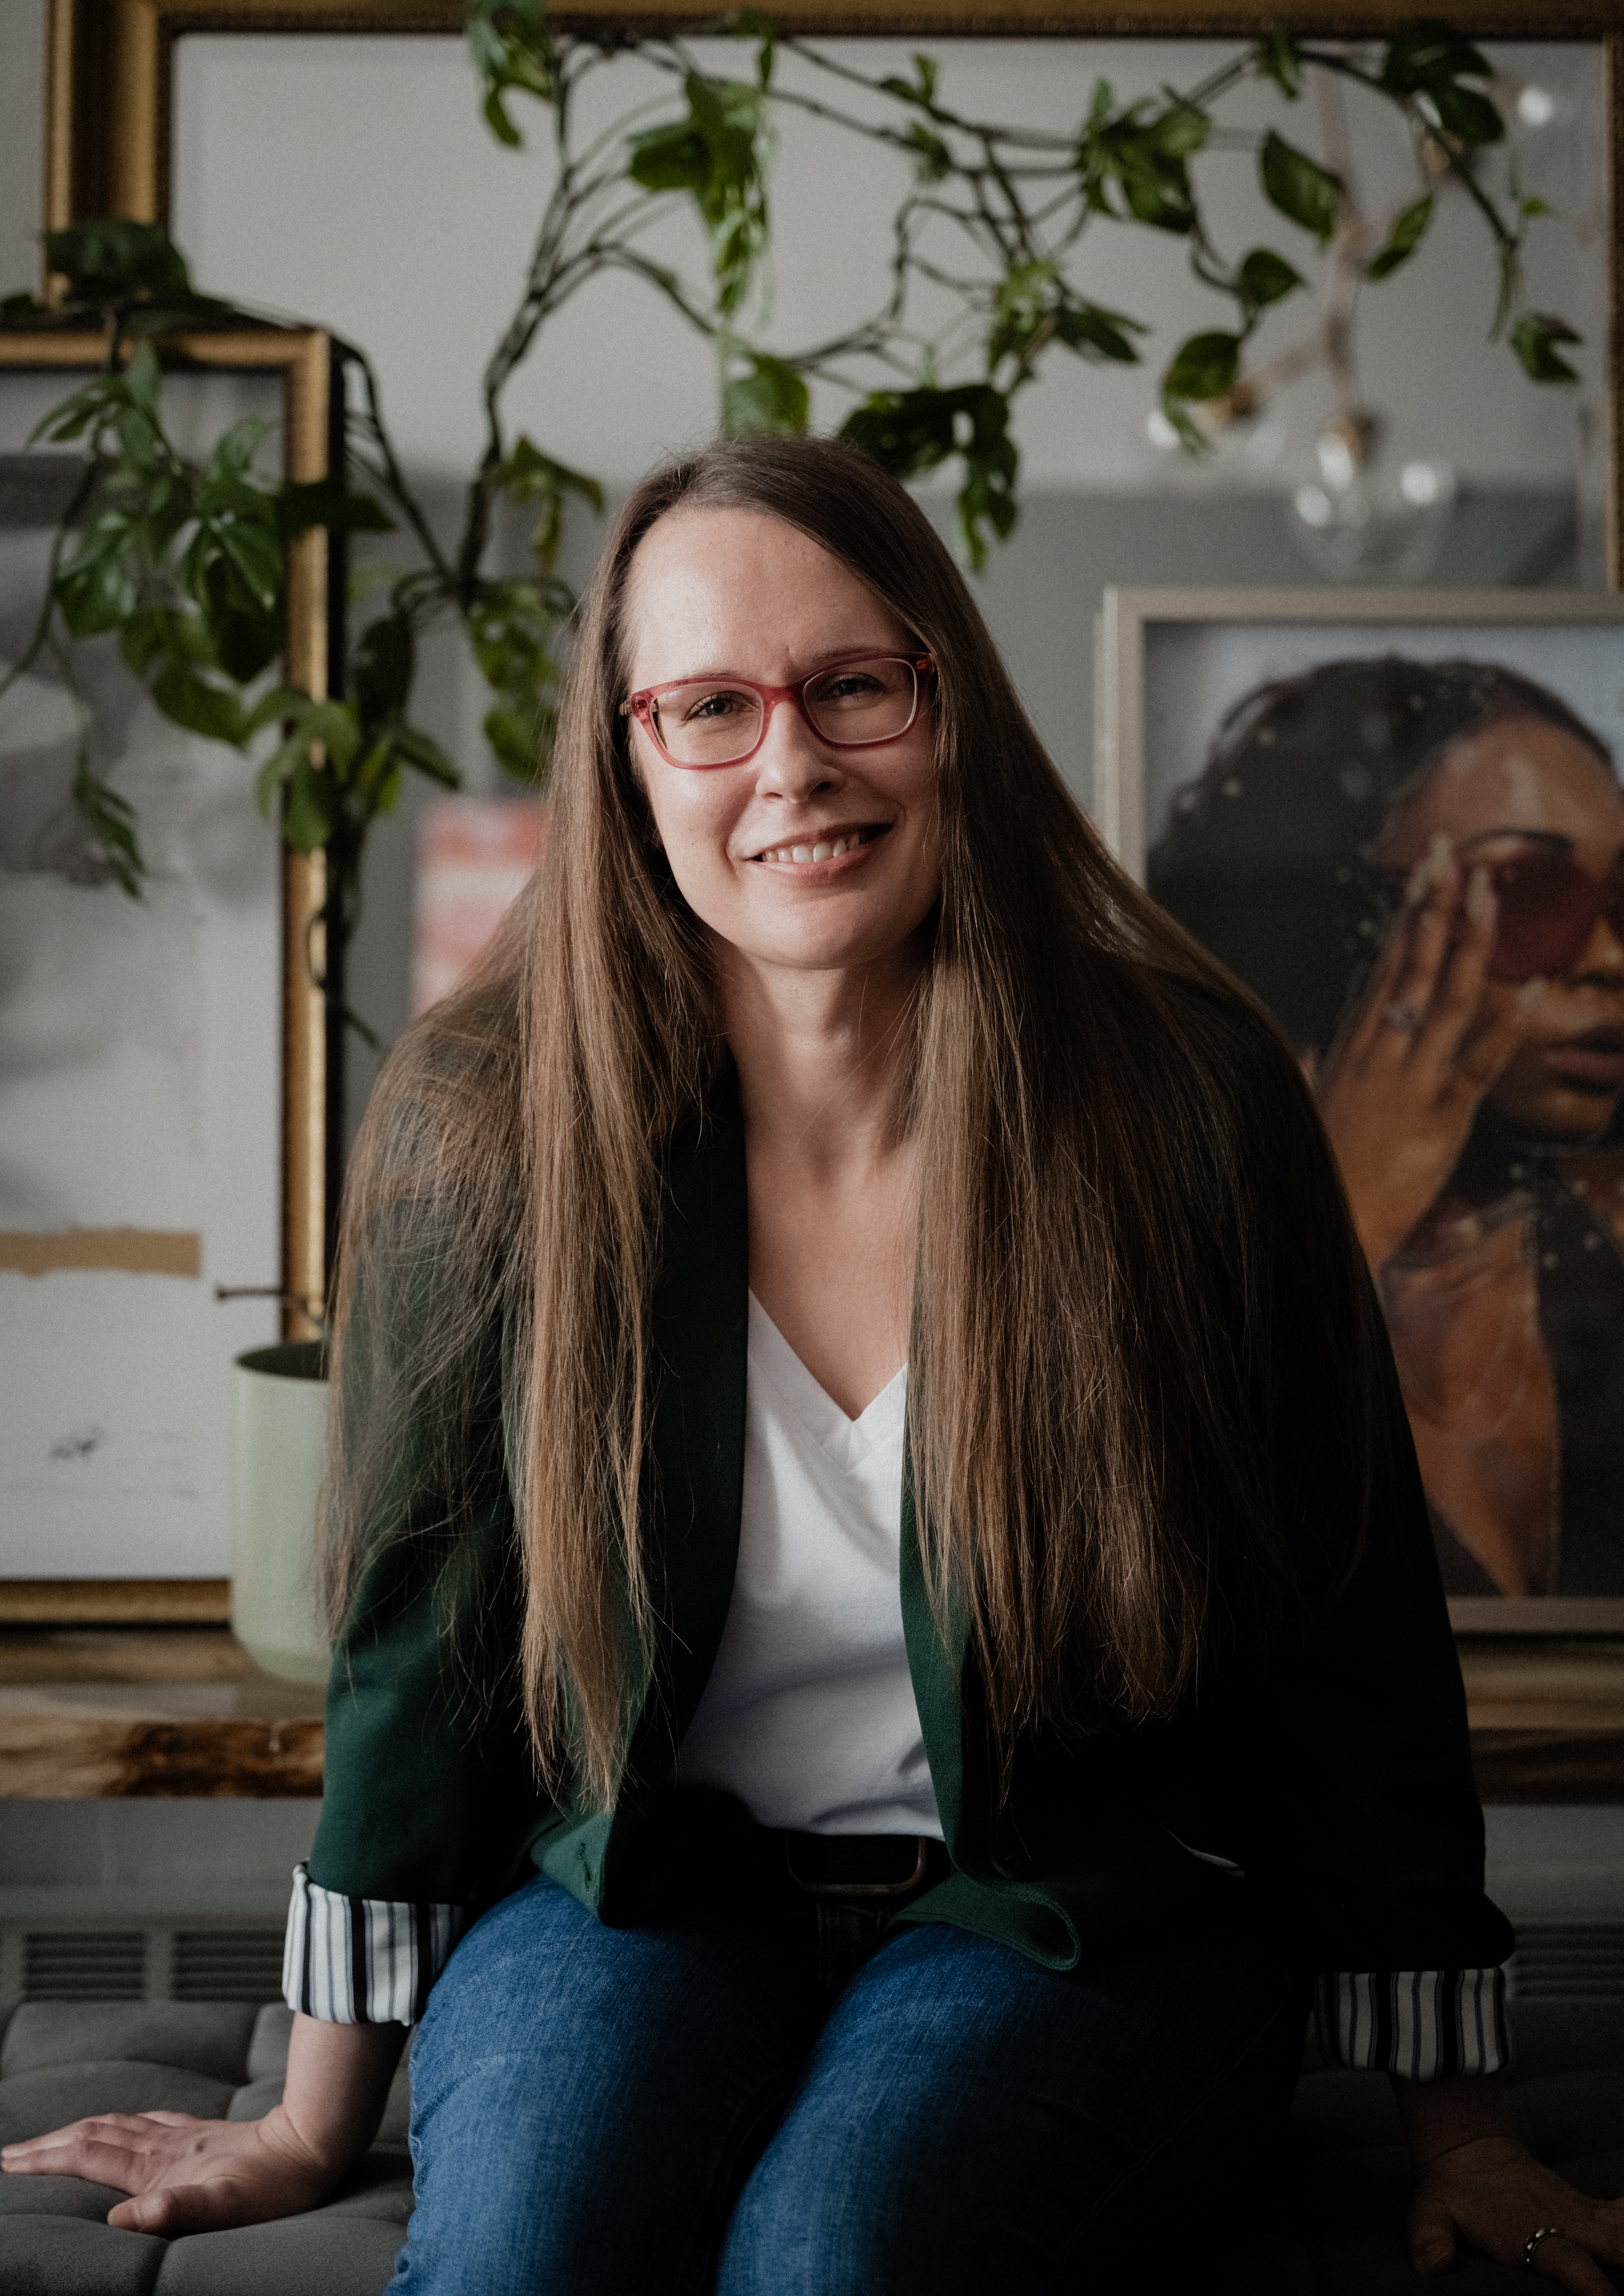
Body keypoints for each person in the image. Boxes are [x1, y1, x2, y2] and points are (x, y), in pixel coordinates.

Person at [8, 443, 1624, 2291]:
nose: (790, 764)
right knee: (527, 2253)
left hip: (1081, 1919)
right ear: (627, 756)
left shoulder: (1184, 1098)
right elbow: (418, 1656)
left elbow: (1355, 1637)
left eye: (852, 685)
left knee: (834, 2253)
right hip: (640, 1896)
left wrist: (1463, 2130)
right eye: (710, 707)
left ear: (948, 703)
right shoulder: (490, 1123)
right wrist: (312, 2121)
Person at [1152, 657, 1624, 1599]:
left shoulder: (1604, 1235)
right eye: (1526, 894)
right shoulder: (1165, 1247)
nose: (1608, 959)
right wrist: (1340, 1216)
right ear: (1336, 923)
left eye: (1620, 897)